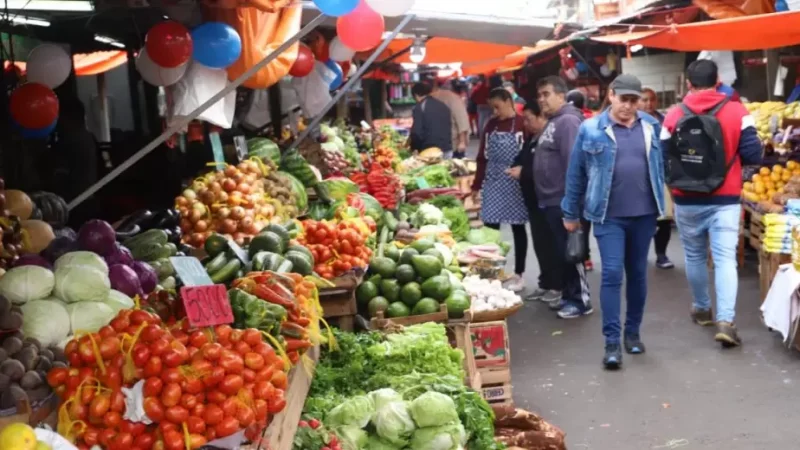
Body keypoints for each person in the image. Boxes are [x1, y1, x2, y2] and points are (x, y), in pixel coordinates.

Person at [562, 74, 666, 369]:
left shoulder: (650, 126)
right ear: (611, 96)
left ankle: (632, 334)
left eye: (634, 101)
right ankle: (611, 342)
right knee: (610, 274)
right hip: (608, 215)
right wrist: (570, 213)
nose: (628, 107)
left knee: (637, 274)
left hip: (644, 214)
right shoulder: (591, 129)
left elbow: (660, 166)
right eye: (624, 100)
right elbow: (576, 174)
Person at [661, 60, 762, 347]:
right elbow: (753, 154)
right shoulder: (738, 111)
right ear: (718, 81)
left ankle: (702, 308)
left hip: (686, 198)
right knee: (724, 260)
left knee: (693, 256)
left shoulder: (673, 115)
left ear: (688, 83)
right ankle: (726, 322)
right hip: (726, 199)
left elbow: (662, 157)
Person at [533, 75, 592, 318]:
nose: (541, 100)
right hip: (551, 201)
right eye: (539, 95)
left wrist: (572, 206)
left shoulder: (567, 121)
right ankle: (569, 296)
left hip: (564, 201)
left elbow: (574, 164)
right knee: (562, 253)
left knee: (573, 254)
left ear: (561, 95)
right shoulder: (555, 120)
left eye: (546, 94)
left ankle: (581, 301)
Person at [471, 88, 528, 292]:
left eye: (497, 106)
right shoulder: (491, 125)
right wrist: (476, 185)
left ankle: (519, 273)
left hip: (516, 183)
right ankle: (491, 273)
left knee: (518, 229)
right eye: (492, 107)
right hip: (494, 181)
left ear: (508, 101)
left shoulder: (522, 124)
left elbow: (529, 154)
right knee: (490, 231)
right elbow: (481, 156)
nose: (495, 112)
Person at [507, 102, 561, 303]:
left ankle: (557, 285)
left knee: (552, 246)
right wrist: (517, 167)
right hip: (533, 201)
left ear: (541, 118)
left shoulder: (549, 140)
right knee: (540, 245)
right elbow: (520, 159)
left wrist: (524, 172)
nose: (526, 124)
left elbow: (549, 169)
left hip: (548, 199)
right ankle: (545, 282)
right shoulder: (531, 139)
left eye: (529, 119)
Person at [639, 88, 674, 269]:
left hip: (661, 176)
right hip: (638, 178)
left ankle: (661, 254)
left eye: (652, 100)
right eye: (644, 100)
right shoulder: (631, 121)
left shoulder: (664, 121)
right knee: (641, 219)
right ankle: (639, 255)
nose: (648, 103)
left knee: (664, 218)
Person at [565, 89, 594, 271]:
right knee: (585, 219)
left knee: (576, 217)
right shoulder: (590, 119)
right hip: (589, 175)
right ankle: (587, 256)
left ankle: (581, 255)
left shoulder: (570, 120)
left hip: (578, 173)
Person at [409, 82, 452, 155]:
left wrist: (414, 148)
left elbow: (416, 133)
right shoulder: (442, 105)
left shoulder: (419, 107)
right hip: (446, 149)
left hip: (430, 151)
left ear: (416, 95)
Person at [432, 81, 470, 159]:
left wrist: (462, 142)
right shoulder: (454, 98)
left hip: (438, 144)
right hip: (452, 143)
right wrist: (462, 142)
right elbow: (462, 120)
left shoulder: (432, 97)